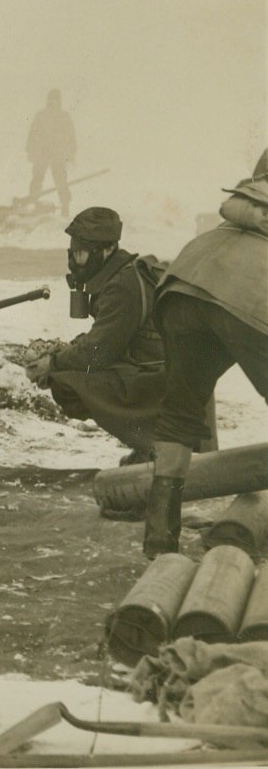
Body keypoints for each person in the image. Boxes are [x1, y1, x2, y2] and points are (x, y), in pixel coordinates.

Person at [141, 176, 268, 558]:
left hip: (185, 282)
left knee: (180, 412)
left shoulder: (253, 197)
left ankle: (160, 542)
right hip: (246, 293)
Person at [23, 208, 172, 464]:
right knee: (70, 366)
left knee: (65, 380)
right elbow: (107, 336)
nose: (74, 263)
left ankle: (150, 446)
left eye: (80, 256)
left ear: (106, 250)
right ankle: (147, 445)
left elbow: (98, 352)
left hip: (157, 378)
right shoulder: (123, 272)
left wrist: (53, 363)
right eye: (72, 254)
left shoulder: (121, 286)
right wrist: (66, 350)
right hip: (161, 367)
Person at [25, 88, 77, 217]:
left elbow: (71, 135)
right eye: (51, 100)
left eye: (55, 100)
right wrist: (30, 148)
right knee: (37, 179)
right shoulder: (41, 115)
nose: (53, 103)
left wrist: (72, 149)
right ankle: (34, 203)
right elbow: (32, 132)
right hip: (42, 154)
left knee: (61, 181)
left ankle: (65, 207)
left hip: (58, 155)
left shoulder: (64, 116)